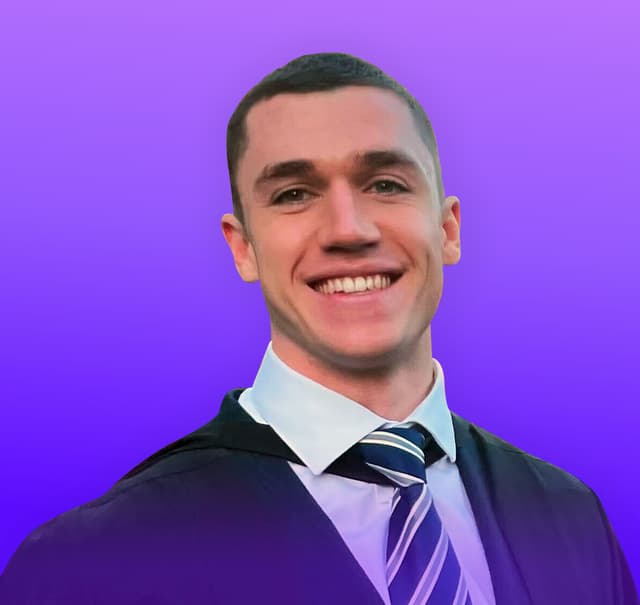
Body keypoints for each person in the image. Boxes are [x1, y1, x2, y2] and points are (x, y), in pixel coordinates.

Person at [0, 52, 637, 605]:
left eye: (384, 183)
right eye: (294, 194)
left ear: (448, 229)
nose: (347, 230)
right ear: (242, 247)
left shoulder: (570, 518)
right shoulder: (93, 563)